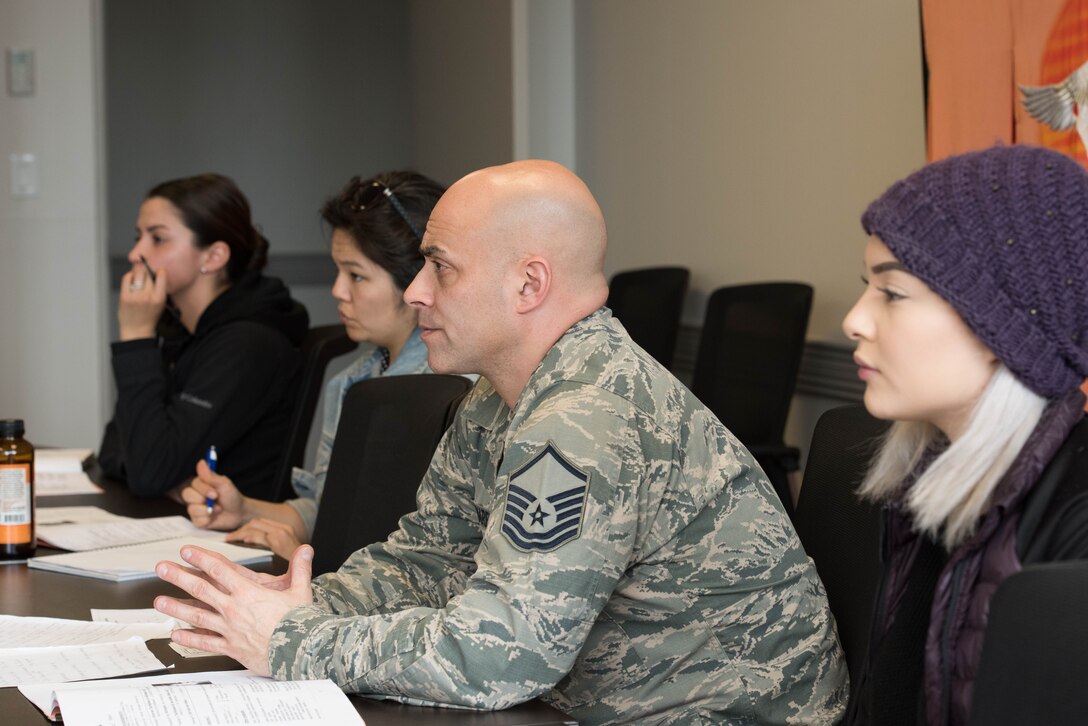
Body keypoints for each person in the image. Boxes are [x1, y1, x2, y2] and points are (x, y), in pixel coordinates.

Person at [154, 160, 847, 725]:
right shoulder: (500, 391)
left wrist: (294, 641)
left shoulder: (584, 418)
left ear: (529, 283)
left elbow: (504, 654)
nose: (417, 291)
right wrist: (289, 604)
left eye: (441, 266)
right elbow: (428, 557)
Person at [841, 145, 1088, 725]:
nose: (854, 318)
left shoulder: (1075, 527)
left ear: (1000, 326)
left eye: (892, 293)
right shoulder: (935, 478)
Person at [180, 171, 446, 557]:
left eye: (356, 276)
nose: (338, 291)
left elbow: (409, 545)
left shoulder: (453, 387)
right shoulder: (351, 382)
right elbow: (331, 511)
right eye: (338, 272)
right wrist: (244, 509)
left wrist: (309, 561)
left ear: (416, 280)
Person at [98, 173, 308, 500]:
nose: (135, 254)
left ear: (213, 257)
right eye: (138, 236)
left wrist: (136, 335)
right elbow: (114, 446)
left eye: (157, 238)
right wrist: (156, 475)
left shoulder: (247, 344)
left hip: (232, 541)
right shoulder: (183, 332)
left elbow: (149, 471)